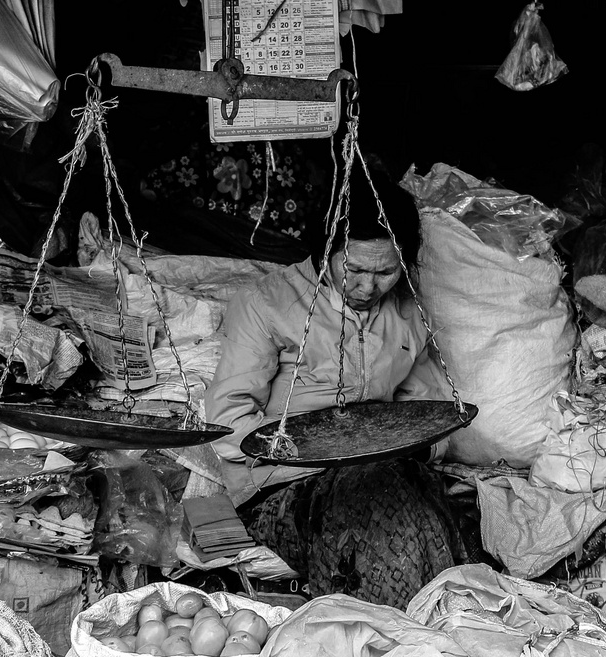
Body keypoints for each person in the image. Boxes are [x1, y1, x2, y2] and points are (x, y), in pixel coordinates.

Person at [202, 161, 471, 608]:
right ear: (325, 248)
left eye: (386, 272)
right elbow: (229, 422)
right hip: (283, 486)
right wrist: (329, 461)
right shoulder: (268, 303)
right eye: (355, 269)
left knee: (418, 506)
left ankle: (430, 630)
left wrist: (416, 449)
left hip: (387, 473)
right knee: (377, 512)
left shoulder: (406, 312)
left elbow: (427, 410)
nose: (368, 287)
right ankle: (388, 633)